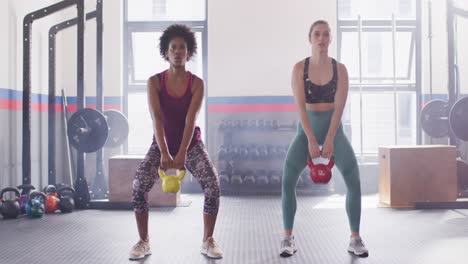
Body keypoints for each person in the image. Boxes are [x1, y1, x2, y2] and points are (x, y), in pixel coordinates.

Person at [129, 24, 223, 260]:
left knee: (213, 186)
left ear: (189, 52)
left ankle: (208, 240)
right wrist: (164, 152)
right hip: (160, 144)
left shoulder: (197, 83)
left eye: (183, 47)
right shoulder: (154, 82)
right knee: (139, 186)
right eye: (174, 48)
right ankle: (143, 241)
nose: (178, 52)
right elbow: (157, 118)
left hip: (190, 144)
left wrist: (181, 153)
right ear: (166, 52)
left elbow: (191, 119)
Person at [279, 20, 369, 258]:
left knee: (353, 179)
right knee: (287, 180)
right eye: (317, 34)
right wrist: (310, 139)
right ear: (310, 39)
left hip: (333, 129)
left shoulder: (341, 70)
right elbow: (300, 107)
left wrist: (329, 139)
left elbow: (339, 108)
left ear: (330, 39)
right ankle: (288, 237)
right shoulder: (299, 68)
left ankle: (355, 238)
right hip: (306, 129)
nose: (321, 38)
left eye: (326, 34)